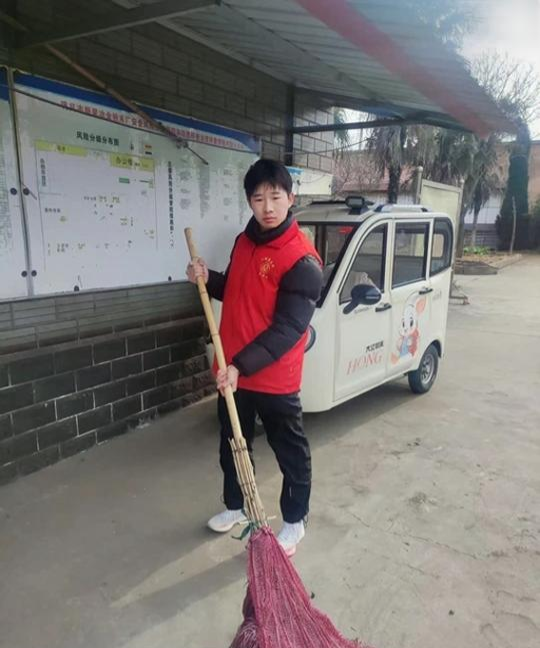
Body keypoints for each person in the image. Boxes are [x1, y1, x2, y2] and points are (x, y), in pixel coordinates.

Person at [186, 159, 323, 556]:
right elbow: (236, 290)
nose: (267, 207)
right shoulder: (244, 242)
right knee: (232, 442)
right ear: (249, 200)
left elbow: (288, 328)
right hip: (233, 371)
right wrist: (208, 278)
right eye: (259, 198)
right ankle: (236, 506)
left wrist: (239, 365)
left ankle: (295, 521)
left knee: (289, 450)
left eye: (275, 197)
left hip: (273, 376)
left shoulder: (302, 260)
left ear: (291, 198)